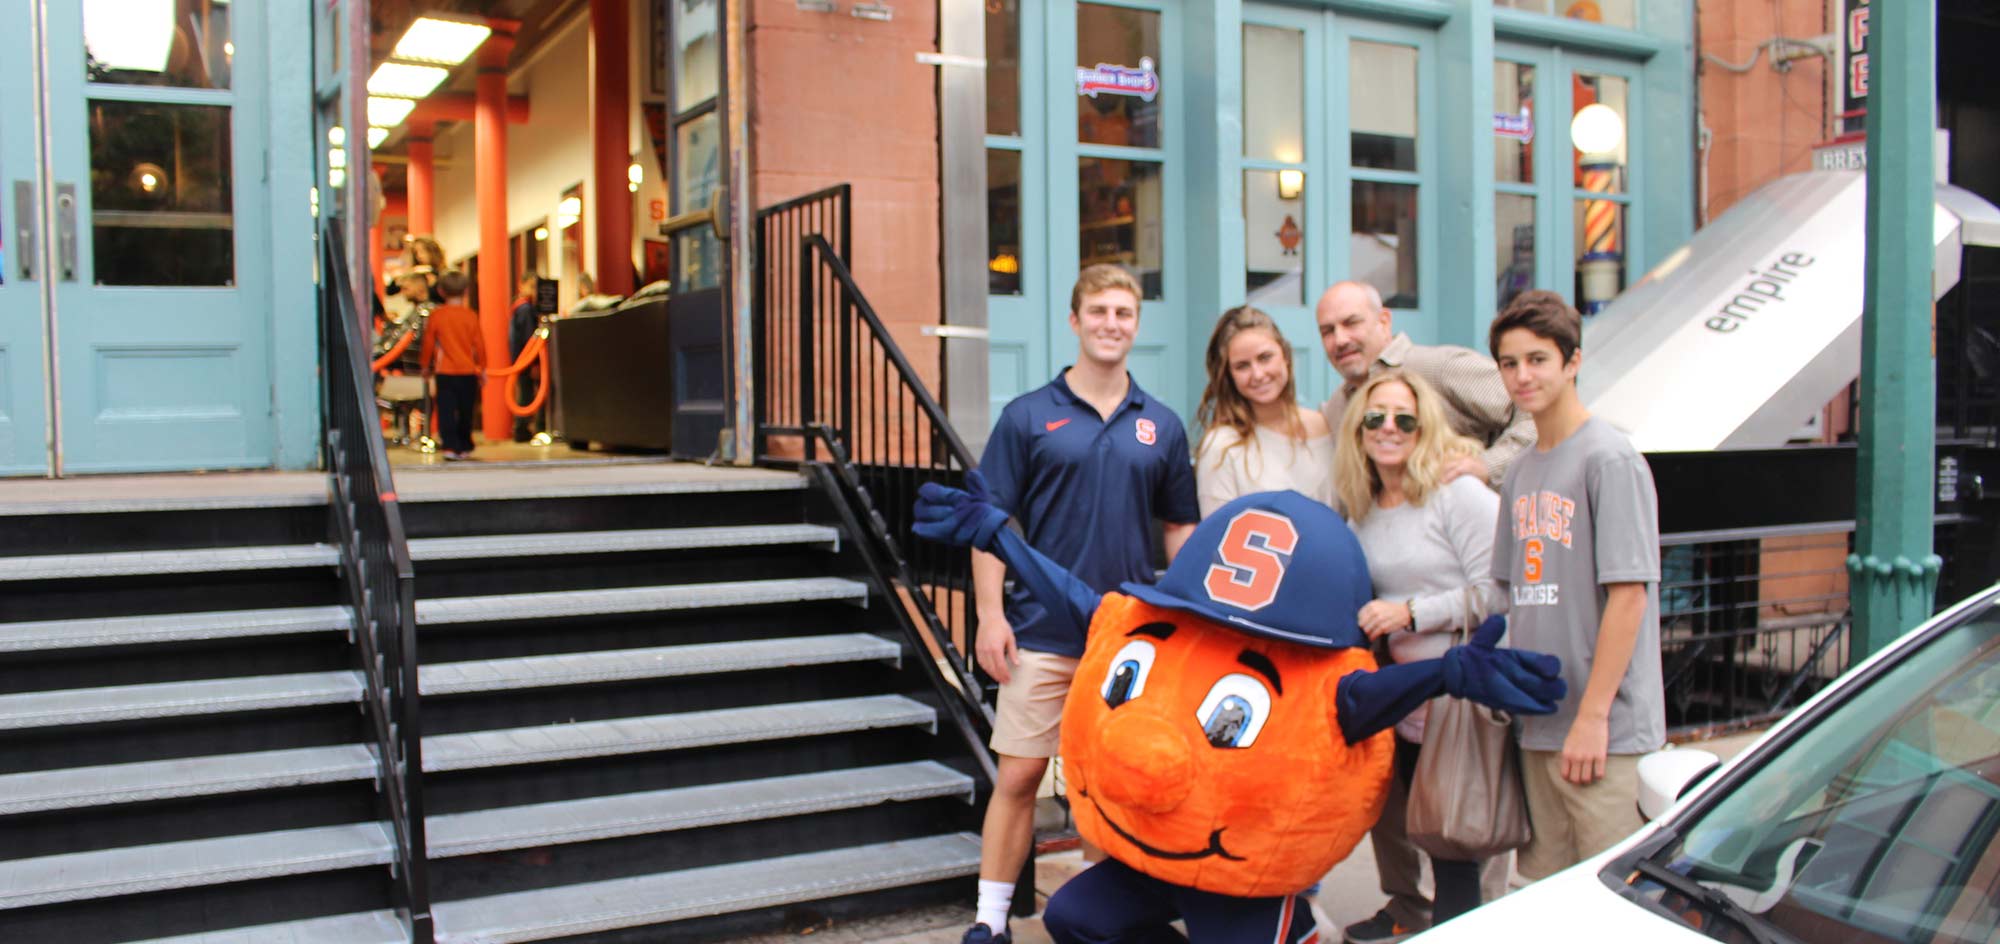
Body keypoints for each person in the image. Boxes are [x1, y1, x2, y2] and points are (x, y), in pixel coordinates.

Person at [964, 264, 1201, 944]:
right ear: (1074, 321)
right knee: (1019, 775)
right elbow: (988, 523)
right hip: (1040, 631)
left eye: (1123, 312)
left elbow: (1181, 528)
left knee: (1115, 787)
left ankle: (1110, 924)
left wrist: (1187, 619)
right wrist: (990, 615)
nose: (1110, 323)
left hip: (1127, 641)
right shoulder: (1028, 416)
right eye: (1098, 310)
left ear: (1136, 324)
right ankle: (990, 921)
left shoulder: (1160, 423)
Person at [1486, 289, 1664, 880]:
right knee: (1544, 890)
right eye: (1509, 363)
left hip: (1605, 733)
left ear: (1573, 361)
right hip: (1540, 724)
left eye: (1537, 359)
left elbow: (1629, 596)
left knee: (1615, 893)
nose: (1522, 375)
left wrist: (1593, 717)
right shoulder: (1520, 470)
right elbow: (1511, 595)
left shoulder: (1609, 459)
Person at [1331, 370, 1508, 944]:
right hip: (1404, 702)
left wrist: (1411, 612)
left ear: (1424, 426)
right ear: (1357, 431)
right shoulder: (1361, 508)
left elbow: (1501, 592)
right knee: (1422, 831)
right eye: (1375, 417)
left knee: (1455, 844)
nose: (1389, 428)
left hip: (1458, 700)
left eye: (1404, 418)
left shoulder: (1458, 494)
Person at [1315, 281, 1536, 487]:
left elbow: (1535, 410)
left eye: (1351, 323)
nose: (1340, 340)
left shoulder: (1437, 366)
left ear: (1384, 321)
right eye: (1327, 331)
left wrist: (1488, 465)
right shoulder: (1337, 408)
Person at [1193, 306, 1335, 516]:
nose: (1258, 374)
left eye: (1265, 357)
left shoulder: (1327, 424)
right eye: (1242, 366)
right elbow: (1218, 538)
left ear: (1285, 356)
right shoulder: (1222, 447)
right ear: (1229, 376)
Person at [421, 270, 485, 460]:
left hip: (445, 371)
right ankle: (464, 443)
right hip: (468, 370)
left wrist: (425, 365)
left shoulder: (437, 316)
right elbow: (479, 345)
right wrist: (483, 367)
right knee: (466, 410)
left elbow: (429, 344)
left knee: (446, 409)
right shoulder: (470, 315)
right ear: (466, 291)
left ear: (441, 291)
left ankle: (449, 445)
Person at [510, 274, 542, 443]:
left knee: (524, 394)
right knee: (526, 396)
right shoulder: (526, 309)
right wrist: (534, 361)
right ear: (521, 285)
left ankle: (522, 427)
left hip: (520, 358)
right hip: (526, 359)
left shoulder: (518, 307)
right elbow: (529, 337)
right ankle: (522, 428)